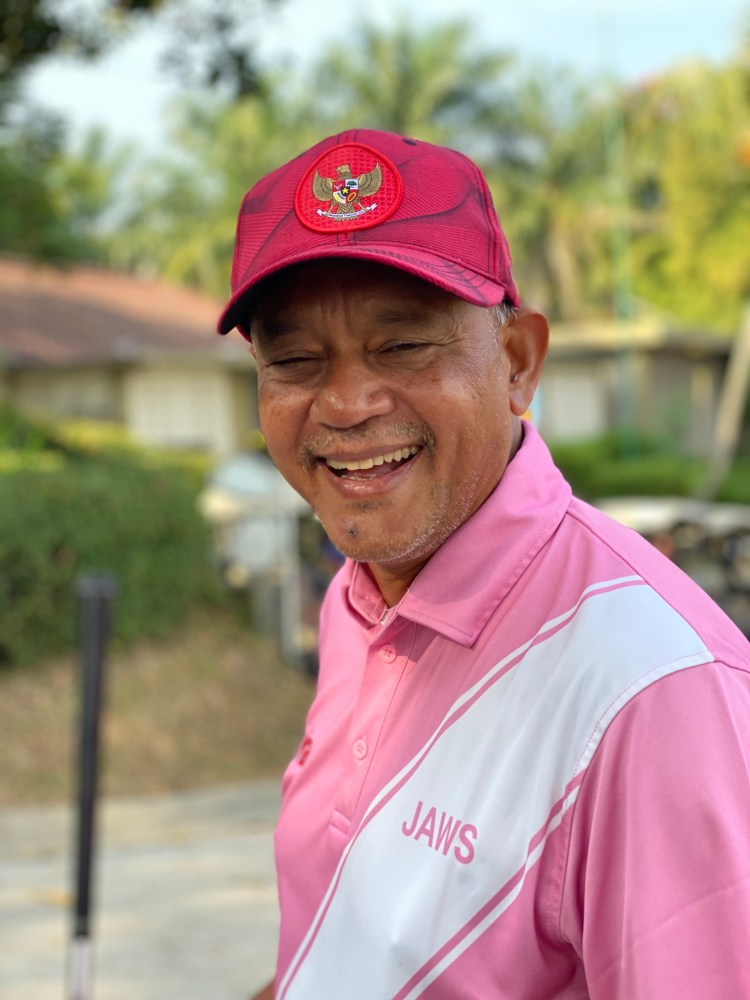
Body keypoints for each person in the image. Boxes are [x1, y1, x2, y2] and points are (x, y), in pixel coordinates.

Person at [216, 128, 750, 999]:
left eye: (402, 345)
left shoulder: (652, 690)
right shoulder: (363, 598)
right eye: (295, 359)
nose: (345, 402)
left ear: (517, 363)